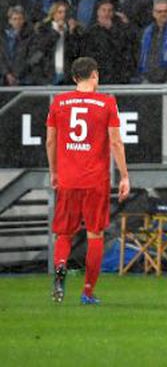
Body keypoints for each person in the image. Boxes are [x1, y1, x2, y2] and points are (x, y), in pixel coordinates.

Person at [46, 57, 130, 304]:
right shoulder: (106, 102)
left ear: (74, 78)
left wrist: (54, 171)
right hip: (95, 180)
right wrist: (124, 175)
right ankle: (88, 291)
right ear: (95, 75)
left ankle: (60, 266)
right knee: (95, 234)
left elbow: (50, 141)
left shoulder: (59, 102)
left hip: (68, 178)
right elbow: (115, 142)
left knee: (64, 233)